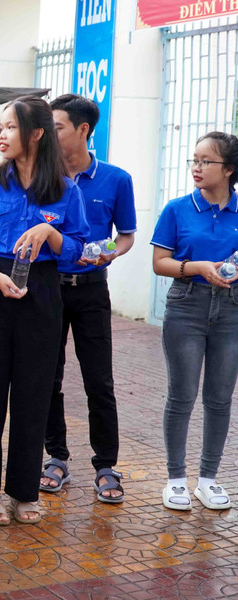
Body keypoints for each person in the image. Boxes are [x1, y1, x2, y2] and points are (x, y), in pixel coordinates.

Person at [0, 96, 89, 526]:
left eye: (11, 127)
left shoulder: (65, 189)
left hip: (42, 291)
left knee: (34, 393)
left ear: (36, 134)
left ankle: (23, 491)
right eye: (1, 127)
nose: (2, 135)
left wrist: (48, 232)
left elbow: (78, 249)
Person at [38, 95, 137, 504]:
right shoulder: (41, 177)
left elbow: (126, 235)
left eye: (57, 127)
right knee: (48, 377)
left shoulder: (116, 179)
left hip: (92, 289)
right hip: (48, 289)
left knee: (99, 380)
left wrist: (113, 251)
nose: (49, 134)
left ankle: (106, 465)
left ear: (83, 130)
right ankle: (55, 458)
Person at [151, 131, 238, 511]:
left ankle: (208, 480)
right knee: (182, 395)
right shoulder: (177, 209)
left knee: (220, 398)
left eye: (206, 161)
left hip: (232, 309)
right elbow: (160, 263)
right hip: (187, 305)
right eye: (195, 160)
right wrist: (198, 267)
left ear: (229, 169)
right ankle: (175, 480)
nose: (197, 168)